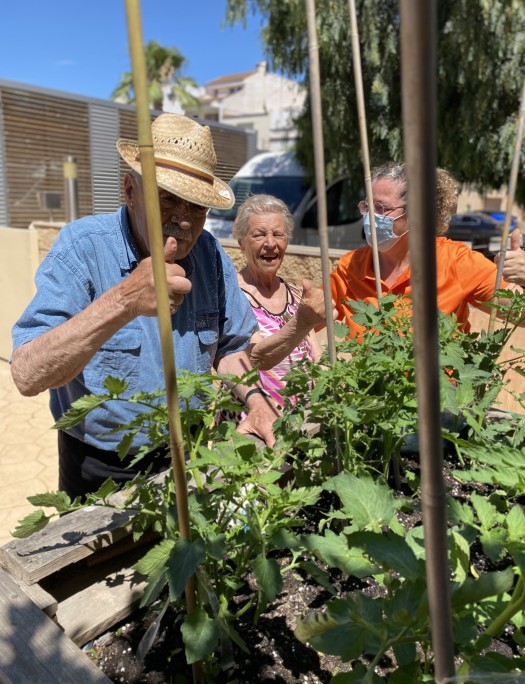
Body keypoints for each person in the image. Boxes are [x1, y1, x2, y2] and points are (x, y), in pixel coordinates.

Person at [10, 113, 277, 499]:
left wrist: (256, 401)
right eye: (167, 198)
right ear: (130, 190)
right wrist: (124, 301)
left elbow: (231, 348)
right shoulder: (83, 248)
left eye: (197, 207)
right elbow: (26, 374)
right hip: (101, 465)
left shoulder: (210, 255)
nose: (183, 222)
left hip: (191, 450)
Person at [330, 162, 521, 338]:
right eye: (366, 206)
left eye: (380, 208)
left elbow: (519, 314)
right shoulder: (350, 267)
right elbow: (315, 316)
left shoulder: (457, 262)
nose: (370, 216)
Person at [230, 193, 330, 411]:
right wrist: (302, 323)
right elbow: (254, 358)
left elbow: (316, 356)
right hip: (255, 418)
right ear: (241, 244)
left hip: (302, 418)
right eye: (259, 235)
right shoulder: (233, 296)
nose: (270, 243)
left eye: (278, 234)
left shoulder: (295, 294)